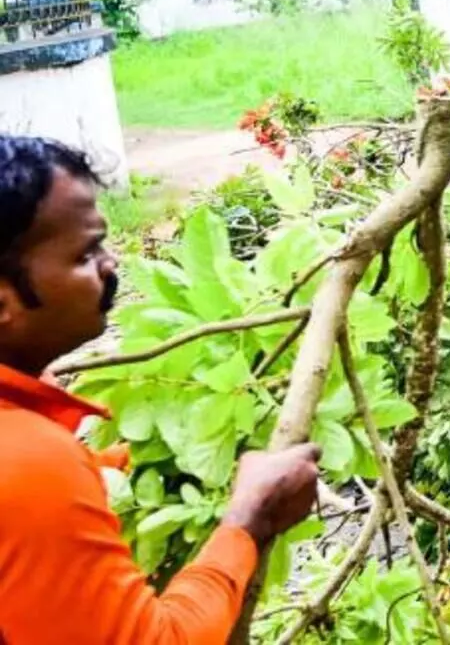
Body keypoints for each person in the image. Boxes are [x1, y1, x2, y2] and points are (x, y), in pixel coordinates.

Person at [0, 135, 322, 644]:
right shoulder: (29, 465)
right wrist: (248, 521)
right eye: (86, 254)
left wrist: (133, 463)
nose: (111, 265)